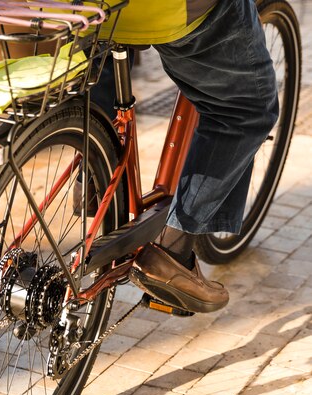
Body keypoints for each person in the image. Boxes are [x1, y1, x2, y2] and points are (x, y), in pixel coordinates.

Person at [91, 0, 279, 313]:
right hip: (166, 9)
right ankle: (172, 253)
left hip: (78, 9)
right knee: (245, 109)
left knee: (100, 52)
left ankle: (93, 173)